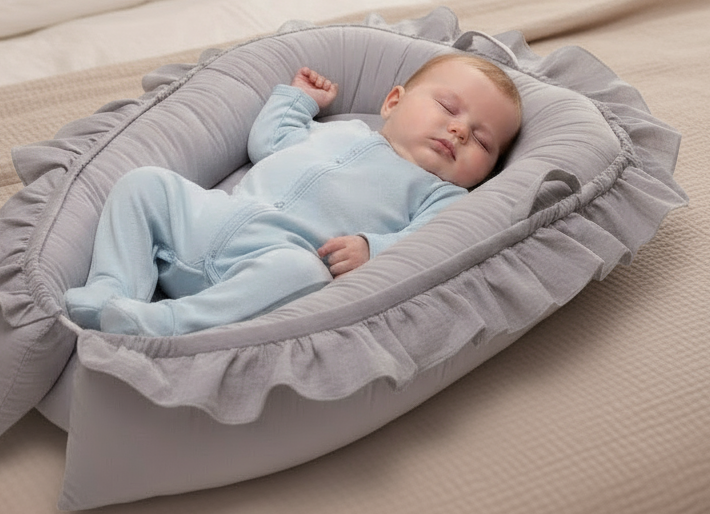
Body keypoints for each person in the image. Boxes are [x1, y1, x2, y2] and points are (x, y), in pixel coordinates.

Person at [64, 54, 522, 336]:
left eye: (483, 142)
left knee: (304, 273)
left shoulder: (441, 195)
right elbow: (268, 142)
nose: (460, 130)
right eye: (447, 107)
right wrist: (299, 100)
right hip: (212, 220)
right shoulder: (337, 131)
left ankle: (168, 324)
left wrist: (373, 248)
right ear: (393, 102)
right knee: (145, 182)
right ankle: (114, 290)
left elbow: (430, 242)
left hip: (272, 263)